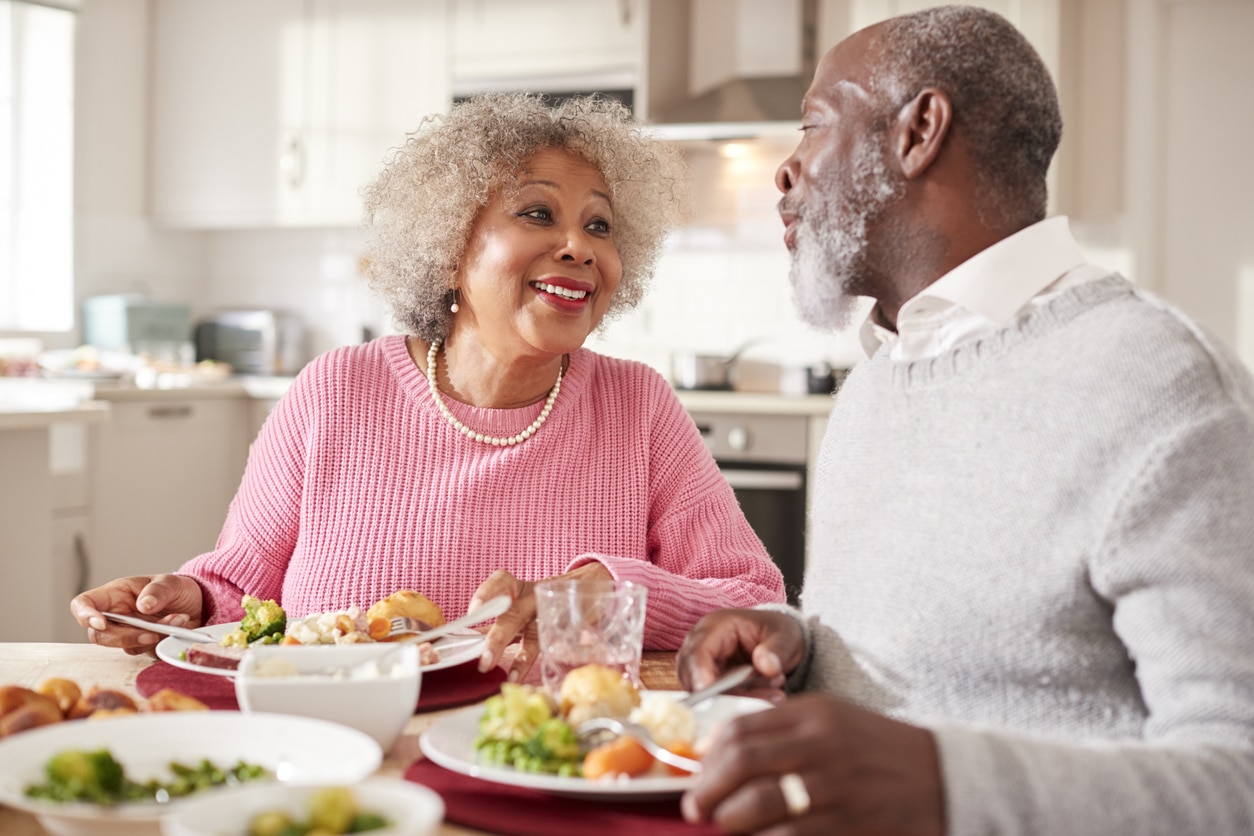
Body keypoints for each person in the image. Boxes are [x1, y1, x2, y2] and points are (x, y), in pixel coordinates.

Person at [676, 5, 1254, 835]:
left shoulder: (1163, 389)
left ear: (919, 130)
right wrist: (798, 645)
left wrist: (946, 785)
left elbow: (1237, 778)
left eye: (811, 125)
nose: (786, 170)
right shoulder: (884, 372)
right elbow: (934, 654)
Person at [71, 92, 785, 680]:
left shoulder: (638, 408)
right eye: (538, 213)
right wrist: (180, 601)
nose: (580, 247)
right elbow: (238, 591)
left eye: (599, 224)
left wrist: (606, 590)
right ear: (448, 251)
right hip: (343, 758)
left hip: (542, 766)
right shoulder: (335, 390)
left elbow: (757, 600)